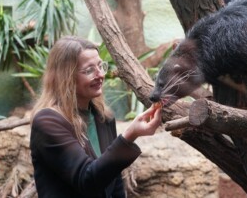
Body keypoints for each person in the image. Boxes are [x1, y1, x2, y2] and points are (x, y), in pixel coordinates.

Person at [30, 36, 162, 198]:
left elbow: (114, 182)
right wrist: (130, 135)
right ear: (66, 77)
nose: (100, 75)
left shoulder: (103, 117)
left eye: (101, 66)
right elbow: (87, 180)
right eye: (89, 70)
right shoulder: (48, 122)